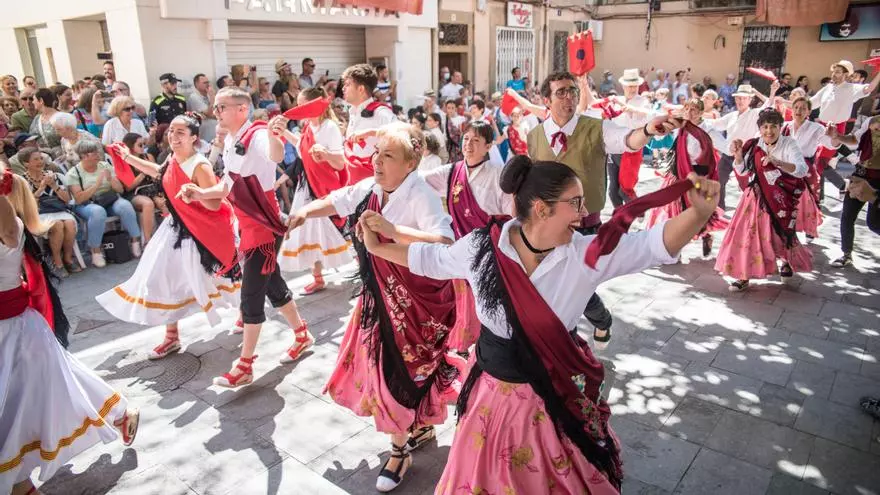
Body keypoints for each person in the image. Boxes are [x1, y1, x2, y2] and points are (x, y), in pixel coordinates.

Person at [364, 156, 719, 493]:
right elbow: (431, 259)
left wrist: (699, 213)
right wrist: (377, 248)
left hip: (553, 392)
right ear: (541, 208)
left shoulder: (586, 255)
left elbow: (652, 244)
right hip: (492, 392)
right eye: (575, 203)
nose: (583, 213)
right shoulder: (482, 248)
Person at [286, 122, 458, 492]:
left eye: (387, 155)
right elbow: (338, 198)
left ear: (410, 164)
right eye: (376, 153)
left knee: (406, 370)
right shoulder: (370, 188)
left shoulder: (420, 195)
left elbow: (445, 240)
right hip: (378, 299)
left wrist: (393, 231)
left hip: (415, 304)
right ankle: (403, 440)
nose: (376, 161)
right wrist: (303, 212)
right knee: (384, 372)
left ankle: (401, 450)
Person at [0, 165, 139, 495]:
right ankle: (120, 411)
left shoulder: (10, 225)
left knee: (27, 401)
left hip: (15, 332)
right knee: (55, 384)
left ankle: (19, 483)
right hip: (17, 331)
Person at [526, 71, 678, 346]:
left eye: (573, 91)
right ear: (546, 100)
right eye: (561, 92)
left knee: (576, 282)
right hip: (548, 227)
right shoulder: (535, 136)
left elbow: (627, 140)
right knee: (554, 283)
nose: (569, 97)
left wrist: (647, 130)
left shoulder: (596, 128)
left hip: (584, 224)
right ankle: (574, 333)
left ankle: (591, 326)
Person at [176, 87, 312, 386]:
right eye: (215, 106)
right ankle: (302, 334)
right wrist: (199, 193)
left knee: (251, 295)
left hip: (264, 228)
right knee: (272, 284)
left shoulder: (259, 133)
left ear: (241, 109)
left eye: (221, 107)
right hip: (247, 226)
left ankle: (246, 364)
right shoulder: (231, 140)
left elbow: (275, 155)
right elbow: (226, 186)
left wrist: (277, 136)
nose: (216, 112)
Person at [97, 114, 240, 359]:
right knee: (160, 278)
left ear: (194, 138)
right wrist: (128, 157)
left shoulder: (200, 165)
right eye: (171, 131)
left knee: (214, 279)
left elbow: (215, 204)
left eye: (180, 132)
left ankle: (246, 312)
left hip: (200, 232)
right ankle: (171, 336)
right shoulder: (173, 159)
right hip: (175, 228)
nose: (173, 137)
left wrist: (195, 194)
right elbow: (159, 172)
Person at [421, 120, 512, 354]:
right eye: (466, 139)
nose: (469, 145)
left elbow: (512, 214)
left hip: (490, 249)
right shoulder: (452, 171)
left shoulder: (498, 175)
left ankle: (490, 344)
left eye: (476, 140)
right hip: (461, 247)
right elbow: (419, 183)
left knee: (489, 300)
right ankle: (463, 345)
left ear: (489, 145)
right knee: (464, 301)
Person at [715, 109, 811, 292]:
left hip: (780, 198)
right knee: (747, 235)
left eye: (773, 126)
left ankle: (786, 261)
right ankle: (743, 274)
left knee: (780, 232)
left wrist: (779, 163)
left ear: (780, 127)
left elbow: (801, 169)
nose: (769, 131)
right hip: (754, 198)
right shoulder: (753, 144)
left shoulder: (789, 144)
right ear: (759, 128)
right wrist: (737, 156)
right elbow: (742, 171)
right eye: (765, 127)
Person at [277, 87, 353, 294]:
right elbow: (302, 149)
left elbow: (339, 163)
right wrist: (282, 131)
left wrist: (326, 154)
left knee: (334, 233)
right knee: (308, 233)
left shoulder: (329, 127)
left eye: (302, 104)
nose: (298, 108)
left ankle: (362, 264)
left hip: (326, 187)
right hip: (308, 186)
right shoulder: (309, 127)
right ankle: (317, 278)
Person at [645, 99, 728, 257]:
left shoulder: (707, 130)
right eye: (687, 109)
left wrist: (737, 150)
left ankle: (706, 234)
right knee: (672, 210)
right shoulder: (681, 126)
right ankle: (674, 247)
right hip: (677, 174)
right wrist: (658, 130)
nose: (690, 113)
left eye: (694, 110)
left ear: (701, 113)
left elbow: (725, 147)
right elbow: (659, 139)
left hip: (697, 176)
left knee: (696, 212)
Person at [65, 139, 142, 267]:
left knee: (125, 206)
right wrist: (97, 184)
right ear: (84, 156)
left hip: (109, 199)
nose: (98, 155)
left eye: (98, 152)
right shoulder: (74, 173)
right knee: (97, 212)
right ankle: (96, 251)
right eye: (94, 153)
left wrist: (111, 179)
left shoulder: (105, 166)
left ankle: (135, 242)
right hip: (87, 204)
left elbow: (120, 190)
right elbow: (78, 199)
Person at [704, 82, 774, 209]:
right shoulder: (731, 116)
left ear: (749, 100)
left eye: (744, 98)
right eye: (738, 98)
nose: (740, 101)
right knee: (719, 181)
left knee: (746, 185)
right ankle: (719, 208)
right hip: (728, 154)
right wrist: (700, 119)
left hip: (745, 156)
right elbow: (716, 124)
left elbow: (768, 105)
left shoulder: (755, 114)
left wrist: (773, 91)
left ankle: (754, 208)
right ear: (735, 99)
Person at [811, 61, 880, 182]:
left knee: (821, 162)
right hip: (821, 128)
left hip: (835, 129)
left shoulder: (851, 88)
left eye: (837, 72)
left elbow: (869, 88)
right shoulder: (827, 88)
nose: (833, 74)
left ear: (846, 74)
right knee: (816, 161)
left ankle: (837, 185)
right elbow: (810, 103)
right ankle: (819, 190)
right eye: (833, 71)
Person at [826, 116, 880, 267]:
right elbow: (854, 140)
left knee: (874, 222)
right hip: (861, 173)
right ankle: (846, 254)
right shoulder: (871, 120)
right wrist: (838, 137)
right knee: (847, 215)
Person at [18, 148, 79, 275]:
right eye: (35, 159)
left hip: (59, 210)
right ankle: (57, 261)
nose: (40, 161)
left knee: (69, 223)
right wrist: (41, 188)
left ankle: (68, 258)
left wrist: (53, 186)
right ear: (26, 163)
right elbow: (28, 206)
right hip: (37, 214)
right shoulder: (22, 181)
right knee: (57, 224)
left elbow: (68, 200)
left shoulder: (54, 176)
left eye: (41, 158)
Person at [338, 64, 396, 184]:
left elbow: (402, 134)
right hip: (354, 183)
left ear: (361, 89)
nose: (343, 88)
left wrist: (370, 132)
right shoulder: (353, 112)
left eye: (348, 84)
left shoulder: (380, 112)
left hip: (376, 185)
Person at [606, 68, 655, 206]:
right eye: (630, 86)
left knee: (625, 190)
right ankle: (619, 219)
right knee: (612, 190)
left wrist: (629, 108)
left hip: (631, 149)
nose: (633, 89)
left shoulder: (642, 101)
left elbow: (649, 115)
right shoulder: (617, 100)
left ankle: (637, 210)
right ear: (623, 86)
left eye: (635, 86)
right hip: (614, 148)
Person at [783, 97, 826, 240]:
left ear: (809, 111)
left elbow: (830, 142)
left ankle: (809, 227)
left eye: (802, 108)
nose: (798, 111)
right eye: (796, 107)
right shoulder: (785, 126)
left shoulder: (816, 128)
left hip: (805, 169)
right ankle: (789, 227)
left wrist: (835, 138)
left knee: (806, 200)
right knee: (787, 200)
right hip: (787, 168)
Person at [187, 73, 217, 143]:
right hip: (205, 137)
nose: (208, 84)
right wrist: (212, 97)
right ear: (197, 84)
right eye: (205, 83)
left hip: (216, 134)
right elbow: (209, 113)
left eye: (208, 82)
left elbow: (220, 113)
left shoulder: (209, 94)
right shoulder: (194, 97)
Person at [29, 88, 62, 154]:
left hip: (63, 157)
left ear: (41, 100)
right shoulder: (37, 118)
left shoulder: (62, 117)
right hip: (44, 158)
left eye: (34, 99)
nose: (32, 102)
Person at [444, 99, 466, 163]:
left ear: (456, 108)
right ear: (446, 109)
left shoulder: (461, 119)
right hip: (449, 146)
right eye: (448, 108)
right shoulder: (445, 119)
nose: (450, 110)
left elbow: (463, 132)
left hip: (458, 145)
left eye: (452, 108)